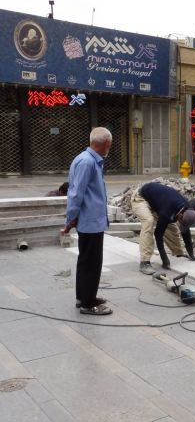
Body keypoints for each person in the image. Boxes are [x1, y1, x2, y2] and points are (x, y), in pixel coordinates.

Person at [62, 127, 113, 315]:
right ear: (106, 143)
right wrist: (70, 219)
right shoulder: (87, 162)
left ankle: (84, 296)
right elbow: (75, 194)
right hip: (90, 222)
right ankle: (87, 303)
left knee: (87, 261)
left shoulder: (89, 160)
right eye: (110, 144)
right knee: (91, 262)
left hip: (91, 221)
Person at [130, 182, 195, 275]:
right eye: (181, 221)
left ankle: (178, 253)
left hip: (156, 201)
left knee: (171, 226)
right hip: (140, 198)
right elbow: (158, 234)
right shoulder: (168, 210)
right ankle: (144, 262)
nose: (180, 223)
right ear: (181, 215)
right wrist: (164, 258)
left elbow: (185, 231)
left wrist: (191, 254)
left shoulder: (187, 208)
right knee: (149, 221)